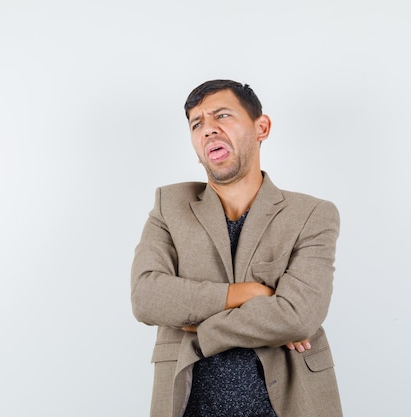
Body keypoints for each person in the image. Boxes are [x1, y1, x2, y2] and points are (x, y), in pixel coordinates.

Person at [131, 79, 342, 417]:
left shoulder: (312, 214)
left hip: (288, 405)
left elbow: (299, 317)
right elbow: (146, 297)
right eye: (197, 123)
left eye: (222, 116)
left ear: (262, 127)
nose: (208, 130)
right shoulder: (169, 207)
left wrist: (198, 328)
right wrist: (250, 294)